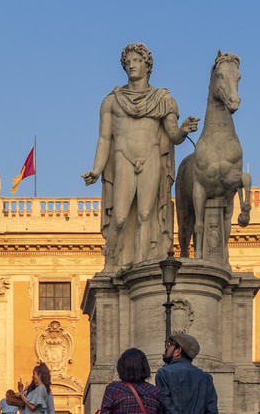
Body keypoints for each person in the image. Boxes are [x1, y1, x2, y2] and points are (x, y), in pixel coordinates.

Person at [82, 43, 198, 272]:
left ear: (147, 65)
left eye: (137, 61)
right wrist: (96, 170)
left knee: (147, 214)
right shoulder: (111, 101)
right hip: (123, 158)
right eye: (128, 62)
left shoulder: (162, 98)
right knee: (120, 216)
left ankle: (142, 266)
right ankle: (111, 264)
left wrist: (183, 129)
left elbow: (173, 135)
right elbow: (104, 139)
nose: (131, 65)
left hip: (151, 157)